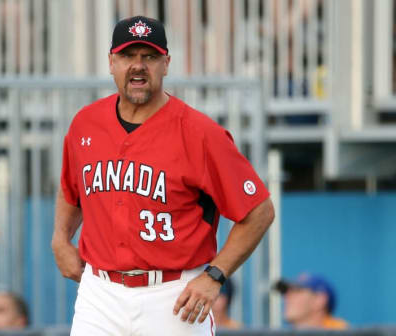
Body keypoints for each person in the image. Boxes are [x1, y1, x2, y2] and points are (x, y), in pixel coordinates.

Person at [51, 15, 274, 336]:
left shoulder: (201, 134)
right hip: (100, 293)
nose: (138, 66)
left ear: (166, 64)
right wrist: (60, 238)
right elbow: (71, 190)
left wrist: (215, 276)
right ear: (111, 62)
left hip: (174, 295)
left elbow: (259, 210)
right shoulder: (85, 123)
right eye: (128, 56)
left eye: (150, 57)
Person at [274, 272, 348, 329]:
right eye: (286, 292)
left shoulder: (343, 333)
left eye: (297, 291)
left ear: (320, 299)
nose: (287, 297)